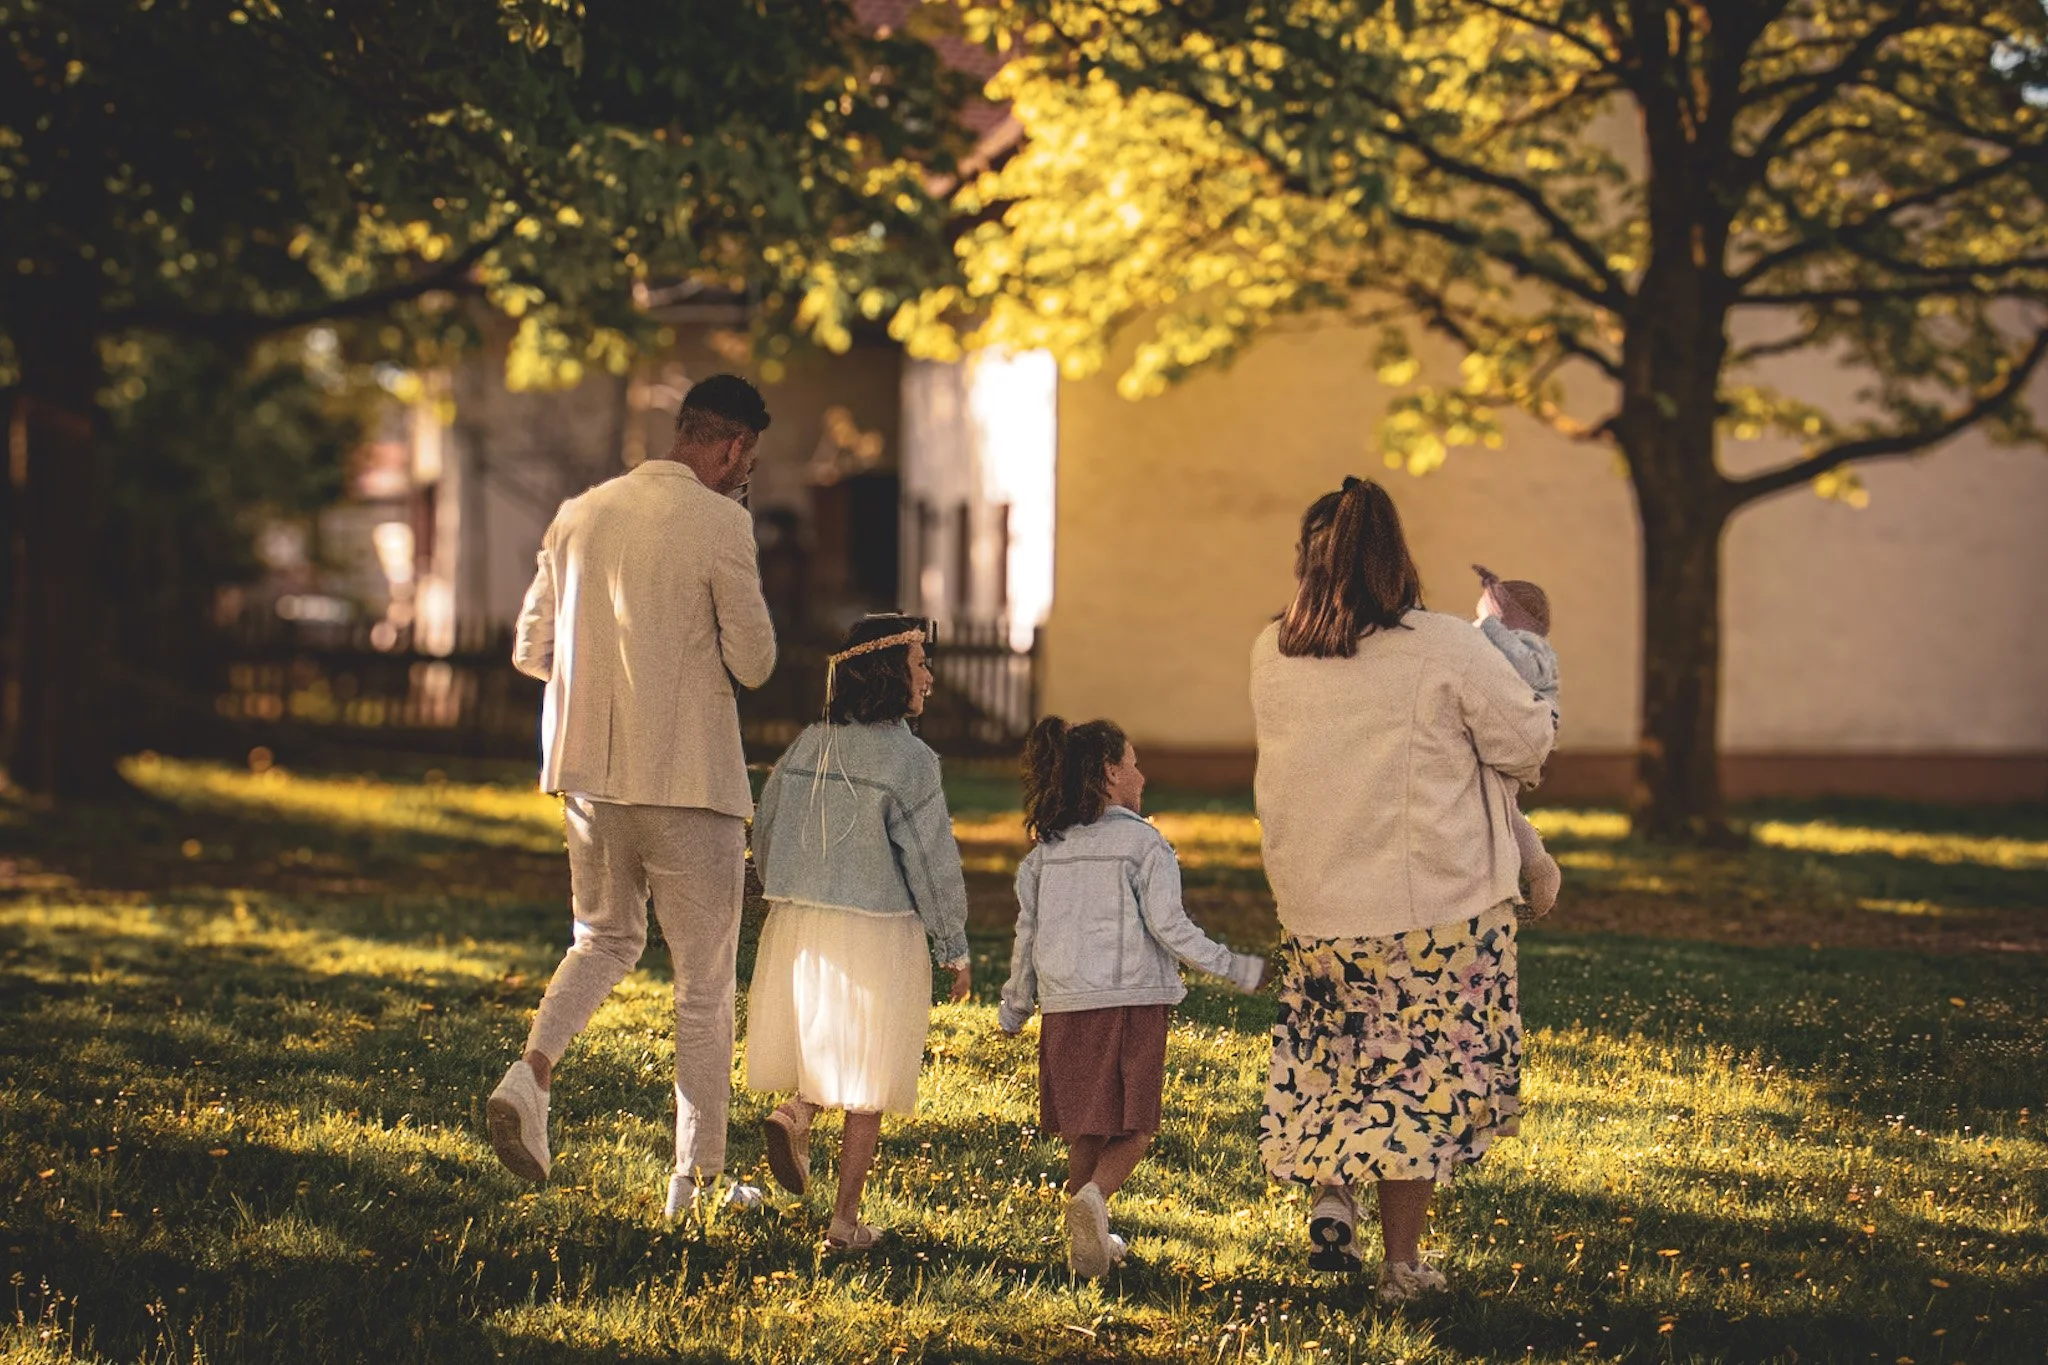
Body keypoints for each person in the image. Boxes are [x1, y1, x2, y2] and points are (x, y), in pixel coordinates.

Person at [1250, 477, 1554, 1303]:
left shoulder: (1273, 650)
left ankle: (1333, 1190)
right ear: (1397, 555)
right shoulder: (1446, 645)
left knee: (1338, 1068)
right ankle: (1401, 1265)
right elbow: (1525, 744)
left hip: (1317, 905)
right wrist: (1530, 670)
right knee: (1413, 1091)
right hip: (1433, 913)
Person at [486, 374, 777, 1219]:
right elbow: (754, 662)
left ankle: (530, 1073)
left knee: (603, 939)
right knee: (703, 985)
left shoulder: (579, 513)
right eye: (747, 456)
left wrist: (607, 668)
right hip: (688, 779)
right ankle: (698, 1184)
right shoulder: (722, 521)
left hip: (589, 776)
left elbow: (532, 650)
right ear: (731, 448)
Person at [998, 717, 1267, 1278]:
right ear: (1110, 773)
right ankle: (1093, 1199)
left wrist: (1017, 1003)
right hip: (1130, 1003)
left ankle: (1084, 1244)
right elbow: (1170, 927)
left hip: (1066, 1006)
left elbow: (1029, 931)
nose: (1142, 773)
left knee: (1087, 1127)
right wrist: (1237, 967)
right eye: (1134, 761)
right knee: (1135, 1126)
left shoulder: (1048, 849)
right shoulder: (1143, 842)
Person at [744, 615, 972, 1254]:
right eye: (920, 663)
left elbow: (765, 834)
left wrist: (781, 888)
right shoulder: (909, 760)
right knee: (868, 1075)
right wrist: (953, 946)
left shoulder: (806, 748)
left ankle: (799, 1112)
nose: (929, 675)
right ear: (890, 674)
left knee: (826, 1039)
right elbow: (931, 862)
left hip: (802, 927)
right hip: (879, 929)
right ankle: (844, 1225)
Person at [1472, 564, 1563, 917]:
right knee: (1506, 809)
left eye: (1486, 612)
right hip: (1510, 734)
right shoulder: (1513, 644)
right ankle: (1540, 869)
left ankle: (1537, 871)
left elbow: (1521, 669)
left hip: (1526, 735)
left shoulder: (1534, 648)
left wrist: (1486, 627)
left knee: (1502, 807)